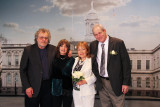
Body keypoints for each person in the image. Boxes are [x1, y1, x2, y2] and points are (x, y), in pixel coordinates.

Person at [90, 24, 131, 107]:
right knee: (105, 105)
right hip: (101, 83)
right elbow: (92, 62)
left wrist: (126, 83)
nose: (98, 36)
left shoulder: (118, 43)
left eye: (100, 33)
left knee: (118, 105)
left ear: (104, 31)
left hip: (116, 83)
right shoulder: (93, 45)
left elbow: (126, 64)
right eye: (95, 35)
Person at [20, 28, 56, 107]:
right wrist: (27, 86)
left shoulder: (54, 49)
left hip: (48, 88)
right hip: (32, 87)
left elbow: (61, 58)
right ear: (36, 38)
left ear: (48, 39)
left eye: (46, 38)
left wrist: (68, 53)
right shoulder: (28, 50)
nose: (44, 40)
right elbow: (23, 70)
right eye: (41, 37)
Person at [72, 41, 96, 107]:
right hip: (76, 91)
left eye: (83, 49)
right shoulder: (76, 60)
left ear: (87, 50)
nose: (81, 52)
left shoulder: (91, 60)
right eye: (79, 50)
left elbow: (96, 76)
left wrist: (85, 81)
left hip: (87, 91)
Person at [52, 39, 75, 107]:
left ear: (68, 48)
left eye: (66, 46)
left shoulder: (72, 60)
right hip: (56, 88)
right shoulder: (53, 58)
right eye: (61, 46)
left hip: (68, 88)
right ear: (58, 47)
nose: (63, 48)